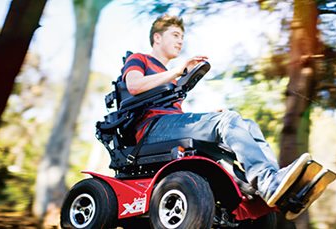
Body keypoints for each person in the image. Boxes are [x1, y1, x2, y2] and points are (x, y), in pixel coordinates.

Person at [121, 14, 315, 219]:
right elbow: (133, 86)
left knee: (247, 125)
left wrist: (210, 118)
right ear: (157, 38)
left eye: (182, 37)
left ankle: (274, 183)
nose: (180, 41)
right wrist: (178, 72)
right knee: (227, 121)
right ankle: (266, 180)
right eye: (175, 35)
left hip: (168, 125)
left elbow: (176, 118)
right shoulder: (139, 59)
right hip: (151, 129)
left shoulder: (168, 77)